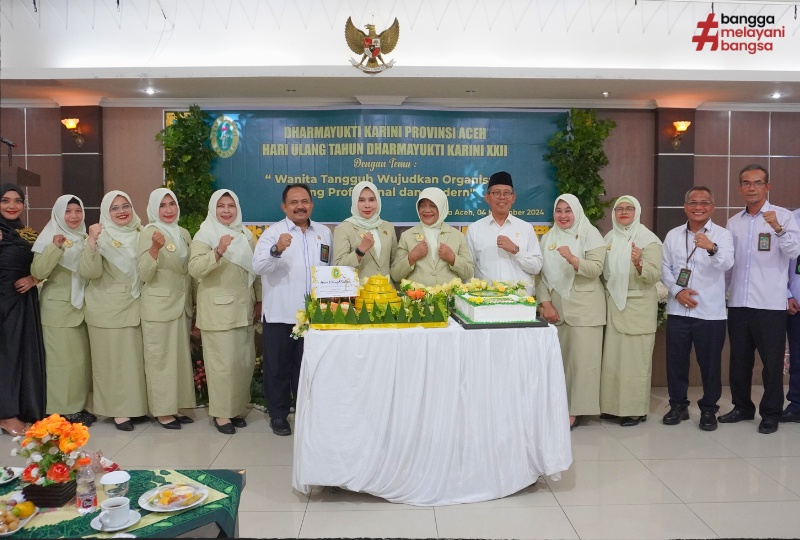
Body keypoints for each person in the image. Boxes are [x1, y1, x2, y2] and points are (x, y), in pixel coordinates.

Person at [721, 164, 800, 434]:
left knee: (772, 363)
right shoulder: (734, 222)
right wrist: (723, 295)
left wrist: (777, 228)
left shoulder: (784, 216)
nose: (751, 188)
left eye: (757, 183)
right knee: (739, 360)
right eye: (746, 183)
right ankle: (742, 407)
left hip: (770, 303)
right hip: (739, 303)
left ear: (767, 186)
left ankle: (771, 413)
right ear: (739, 188)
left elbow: (794, 252)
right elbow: (730, 265)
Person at [253, 184, 332, 436]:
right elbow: (258, 267)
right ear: (284, 206)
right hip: (281, 314)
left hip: (312, 317)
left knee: (307, 368)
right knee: (277, 369)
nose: (300, 206)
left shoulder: (323, 233)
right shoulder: (272, 233)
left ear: (311, 205)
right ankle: (278, 415)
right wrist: (276, 250)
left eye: (305, 201)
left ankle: (306, 413)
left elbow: (329, 269)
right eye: (294, 202)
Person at [661, 187, 734, 431]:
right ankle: (678, 405)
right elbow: (664, 268)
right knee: (676, 361)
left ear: (712, 207)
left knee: (710, 364)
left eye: (704, 203)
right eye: (693, 203)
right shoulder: (673, 235)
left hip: (710, 311)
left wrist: (711, 247)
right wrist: (677, 291)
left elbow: (727, 263)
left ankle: (709, 409)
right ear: (685, 207)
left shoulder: (722, 235)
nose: (698, 207)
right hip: (678, 310)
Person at [189, 189, 261, 435]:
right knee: (222, 366)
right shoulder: (204, 235)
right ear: (213, 209)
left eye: (231, 205)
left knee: (242, 363)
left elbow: (256, 271)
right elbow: (195, 269)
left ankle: (236, 409)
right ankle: (221, 414)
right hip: (217, 312)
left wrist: (260, 300)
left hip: (244, 309)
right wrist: (217, 251)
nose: (227, 210)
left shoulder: (245, 236)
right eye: (221, 206)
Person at [79, 190, 148, 431]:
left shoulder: (141, 233)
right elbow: (90, 272)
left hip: (135, 307)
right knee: (111, 363)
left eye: (125, 206)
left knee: (132, 362)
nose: (121, 211)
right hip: (106, 310)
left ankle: (135, 407)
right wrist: (92, 241)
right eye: (115, 208)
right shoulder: (102, 236)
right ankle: (118, 411)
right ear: (106, 212)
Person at [537, 194, 606, 430]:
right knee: (560, 363)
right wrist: (545, 303)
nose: (563, 215)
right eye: (559, 211)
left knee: (584, 363)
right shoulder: (548, 238)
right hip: (557, 309)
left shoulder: (590, 233)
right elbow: (540, 275)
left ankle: (576, 410)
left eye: (568, 211)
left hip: (586, 309)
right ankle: (560, 407)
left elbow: (596, 268)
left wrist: (573, 259)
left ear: (576, 212)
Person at [31, 194, 95, 426]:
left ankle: (76, 407)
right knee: (60, 363)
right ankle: (59, 410)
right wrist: (55, 247)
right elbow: (38, 271)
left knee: (78, 362)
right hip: (57, 309)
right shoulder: (49, 237)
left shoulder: (84, 238)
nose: (74, 216)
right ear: (58, 214)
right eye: (68, 212)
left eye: (78, 211)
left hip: (81, 308)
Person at [599, 195, 662, 427]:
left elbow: (654, 275)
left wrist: (639, 263)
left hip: (637, 307)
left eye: (629, 208)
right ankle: (611, 407)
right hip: (613, 306)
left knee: (635, 362)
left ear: (637, 212)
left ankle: (634, 410)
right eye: (619, 209)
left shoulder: (648, 240)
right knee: (613, 361)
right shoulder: (609, 238)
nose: (623, 212)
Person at [137, 188, 196, 430]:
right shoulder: (148, 232)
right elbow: (143, 273)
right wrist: (154, 249)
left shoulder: (183, 233)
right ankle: (162, 411)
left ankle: (177, 406)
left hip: (181, 306)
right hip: (158, 307)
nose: (169, 209)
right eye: (162, 205)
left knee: (179, 360)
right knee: (160, 360)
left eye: (172, 204)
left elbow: (188, 272)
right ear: (154, 209)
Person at [0, 184, 45, 435]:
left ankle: (20, 409)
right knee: (7, 357)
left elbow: (40, 263)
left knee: (20, 355)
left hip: (23, 300)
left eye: (18, 201)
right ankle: (6, 417)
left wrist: (34, 278)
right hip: (3, 302)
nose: (12, 206)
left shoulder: (25, 232)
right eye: (5, 200)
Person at [466, 171, 542, 294]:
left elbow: (536, 267)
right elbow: (469, 270)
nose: (502, 197)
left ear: (513, 198)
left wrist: (516, 250)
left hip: (520, 300)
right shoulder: (474, 229)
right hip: (486, 300)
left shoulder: (526, 228)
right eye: (496, 193)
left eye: (507, 193)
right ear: (487, 197)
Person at [391, 187, 474, 286]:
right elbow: (395, 275)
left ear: (442, 207)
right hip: (417, 295)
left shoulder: (457, 235)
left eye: (433, 206)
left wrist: (453, 258)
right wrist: (412, 257)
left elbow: (469, 272)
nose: (427, 210)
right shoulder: (407, 236)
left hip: (449, 295)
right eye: (422, 206)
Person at [332, 181, 397, 280]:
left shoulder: (388, 227)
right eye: (361, 200)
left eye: (371, 200)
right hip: (359, 289)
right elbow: (338, 268)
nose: (367, 205)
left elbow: (394, 264)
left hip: (386, 289)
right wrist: (360, 250)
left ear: (378, 201)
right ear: (355, 202)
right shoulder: (343, 229)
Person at [785, 207, 800, 424]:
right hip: (796, 302)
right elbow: (780, 262)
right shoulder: (790, 219)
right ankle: (797, 405)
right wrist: (786, 295)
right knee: (798, 358)